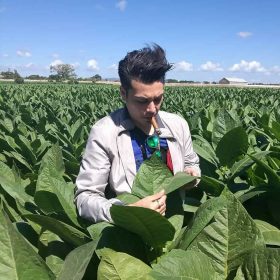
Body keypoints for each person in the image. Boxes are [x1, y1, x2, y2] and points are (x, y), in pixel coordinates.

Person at [75, 44, 200, 223]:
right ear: (124, 94)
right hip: (128, 232)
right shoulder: (104, 132)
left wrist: (191, 176)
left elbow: (191, 162)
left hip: (174, 225)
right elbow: (85, 197)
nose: (152, 109)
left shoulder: (178, 125)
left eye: (158, 99)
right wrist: (127, 212)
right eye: (142, 101)